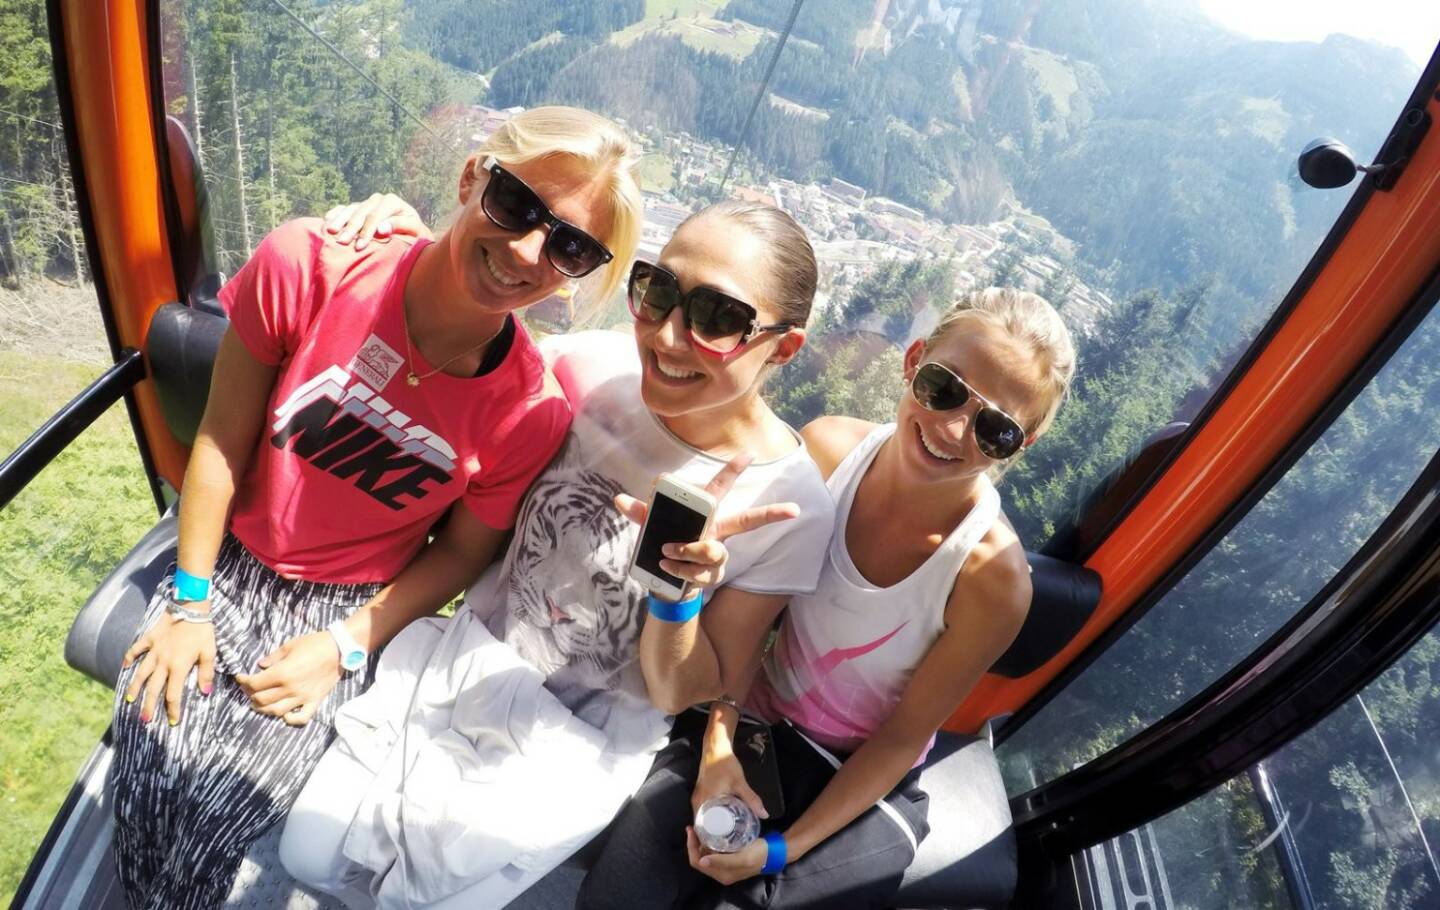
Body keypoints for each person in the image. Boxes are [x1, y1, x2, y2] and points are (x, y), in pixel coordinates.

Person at [107, 106, 643, 909]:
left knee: (222, 816)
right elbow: (219, 440)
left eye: (569, 246)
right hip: (225, 562)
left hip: (347, 607)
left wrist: (343, 647)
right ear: (471, 179)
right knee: (153, 763)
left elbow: (461, 554)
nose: (528, 251)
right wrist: (188, 602)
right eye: (516, 205)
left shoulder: (525, 412)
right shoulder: (314, 266)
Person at [277, 199, 837, 908]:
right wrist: (401, 235)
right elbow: (451, 364)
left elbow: (685, 691)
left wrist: (677, 595)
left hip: (581, 741)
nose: (667, 337)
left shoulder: (792, 506)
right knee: (308, 855)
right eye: (658, 291)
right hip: (470, 661)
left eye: (719, 318)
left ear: (782, 347)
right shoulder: (588, 371)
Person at [578, 287, 1076, 910]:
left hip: (858, 768)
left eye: (995, 428)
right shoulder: (828, 453)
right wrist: (718, 750)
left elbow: (900, 739)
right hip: (744, 713)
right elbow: (753, 624)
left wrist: (783, 851)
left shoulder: (990, 581)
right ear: (912, 360)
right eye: (944, 388)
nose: (953, 429)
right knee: (619, 896)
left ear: (1019, 447)